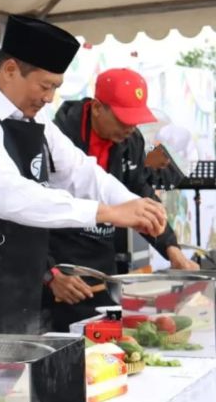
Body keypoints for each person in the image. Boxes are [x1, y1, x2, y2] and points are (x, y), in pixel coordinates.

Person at [0, 15, 167, 339]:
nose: (49, 98)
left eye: (56, 88)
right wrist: (106, 212)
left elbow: (78, 169)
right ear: (10, 71)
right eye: (45, 86)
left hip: (12, 277)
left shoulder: (36, 118)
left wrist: (133, 204)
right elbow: (8, 195)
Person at [44, 68, 199, 331]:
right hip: (58, 267)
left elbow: (141, 195)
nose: (130, 128)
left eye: (135, 120)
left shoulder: (131, 141)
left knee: (108, 342)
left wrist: (171, 249)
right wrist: (49, 275)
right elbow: (32, 211)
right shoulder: (55, 139)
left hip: (101, 266)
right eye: (122, 119)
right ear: (96, 108)